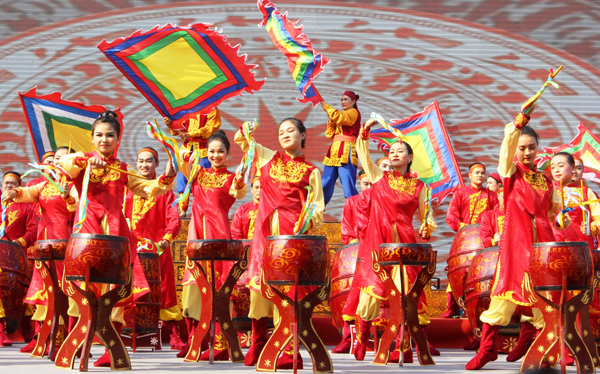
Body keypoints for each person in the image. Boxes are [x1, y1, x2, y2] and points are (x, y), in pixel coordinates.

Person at [58, 110, 176, 367]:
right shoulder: (82, 161)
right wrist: (85, 163)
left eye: (110, 135)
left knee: (114, 288)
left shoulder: (123, 168)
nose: (104, 140)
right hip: (87, 231)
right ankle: (79, 340)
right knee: (84, 286)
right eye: (99, 135)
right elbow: (65, 165)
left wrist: (166, 176)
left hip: (115, 233)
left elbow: (148, 189)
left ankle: (109, 345)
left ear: (118, 138)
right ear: (91, 138)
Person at [466, 109, 564, 370]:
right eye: (523, 148)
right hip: (515, 245)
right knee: (502, 298)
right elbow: (508, 146)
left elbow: (553, 210)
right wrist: (517, 126)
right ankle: (487, 349)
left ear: (538, 149)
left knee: (545, 301)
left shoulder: (546, 179)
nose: (528, 152)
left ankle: (538, 347)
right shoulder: (511, 172)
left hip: (542, 244)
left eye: (532, 147)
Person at [234, 118, 324, 369]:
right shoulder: (268, 158)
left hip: (291, 236)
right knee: (258, 291)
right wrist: (246, 129)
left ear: (303, 135)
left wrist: (304, 225)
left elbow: (317, 208)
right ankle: (259, 342)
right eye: (281, 131)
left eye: (290, 130)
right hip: (265, 233)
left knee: (288, 293)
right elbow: (244, 142)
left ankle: (287, 349)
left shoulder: (312, 171)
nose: (285, 135)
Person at [352, 118, 437, 363]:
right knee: (372, 290)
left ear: (410, 158)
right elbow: (364, 156)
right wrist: (364, 134)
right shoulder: (380, 178)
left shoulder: (420, 186)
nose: (395, 153)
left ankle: (404, 346)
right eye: (392, 150)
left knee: (404, 294)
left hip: (405, 244)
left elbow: (427, 215)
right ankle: (362, 336)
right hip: (379, 241)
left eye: (401, 151)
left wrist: (426, 226)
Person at [177, 130, 246, 361]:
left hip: (218, 236)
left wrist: (238, 182)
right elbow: (182, 160)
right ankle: (200, 340)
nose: (216, 155)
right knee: (196, 287)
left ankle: (221, 343)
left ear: (228, 153)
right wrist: (184, 146)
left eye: (221, 152)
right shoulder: (198, 173)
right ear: (206, 152)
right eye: (212, 151)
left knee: (218, 288)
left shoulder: (231, 178)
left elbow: (238, 192)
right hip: (197, 235)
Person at [3, 146, 78, 354]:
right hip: (44, 242)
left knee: (66, 290)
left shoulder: (75, 185)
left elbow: (79, 206)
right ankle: (41, 337)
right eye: (54, 160)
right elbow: (27, 192)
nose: (56, 163)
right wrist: (14, 191)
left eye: (61, 159)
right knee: (44, 289)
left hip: (65, 241)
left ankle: (70, 338)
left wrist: (69, 198)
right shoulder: (45, 186)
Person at [123, 147, 183, 350]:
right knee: (129, 288)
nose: (143, 165)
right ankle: (128, 330)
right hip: (132, 248)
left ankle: (174, 334)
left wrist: (166, 239)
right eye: (140, 161)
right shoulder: (128, 190)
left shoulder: (165, 191)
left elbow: (173, 218)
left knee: (165, 289)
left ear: (157, 164)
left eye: (149, 161)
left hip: (157, 249)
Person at [443, 163, 499, 319]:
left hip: (484, 241)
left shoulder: (492, 196)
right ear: (469, 175)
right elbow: (451, 217)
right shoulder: (460, 194)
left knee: (483, 273)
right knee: (458, 272)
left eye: (482, 173)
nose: (480, 175)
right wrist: (465, 228)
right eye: (477, 173)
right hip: (464, 241)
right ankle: (452, 307)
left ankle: (481, 306)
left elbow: (496, 216)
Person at [332, 169, 372, 354]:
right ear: (360, 183)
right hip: (358, 254)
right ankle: (348, 338)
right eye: (366, 184)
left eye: (372, 184)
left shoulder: (384, 201)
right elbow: (346, 230)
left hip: (379, 253)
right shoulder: (352, 202)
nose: (369, 188)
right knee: (350, 295)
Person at [0, 171, 38, 347]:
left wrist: (20, 241)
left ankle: (26, 330)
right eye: (6, 183)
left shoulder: (26, 206)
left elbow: (33, 230)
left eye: (13, 183)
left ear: (19, 187)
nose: (9, 186)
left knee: (22, 291)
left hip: (16, 256)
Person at [163, 108, 221, 217]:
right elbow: (179, 128)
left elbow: (210, 129)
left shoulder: (212, 109)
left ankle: (203, 211)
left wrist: (191, 135)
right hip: (186, 150)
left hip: (203, 151)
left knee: (203, 183)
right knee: (182, 180)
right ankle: (182, 210)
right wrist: (171, 124)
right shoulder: (187, 108)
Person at [550, 152, 600, 249]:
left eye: (561, 166)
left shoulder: (586, 192)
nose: (556, 170)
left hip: (582, 246)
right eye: (552, 167)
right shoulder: (548, 192)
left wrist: (591, 229)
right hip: (554, 245)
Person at [320, 91, 361, 204]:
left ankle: (359, 213)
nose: (343, 102)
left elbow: (340, 116)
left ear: (353, 101)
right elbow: (330, 134)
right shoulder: (342, 116)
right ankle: (313, 214)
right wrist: (332, 121)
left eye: (345, 99)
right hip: (334, 151)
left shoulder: (353, 113)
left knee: (348, 187)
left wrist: (326, 107)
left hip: (346, 150)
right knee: (324, 183)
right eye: (341, 99)